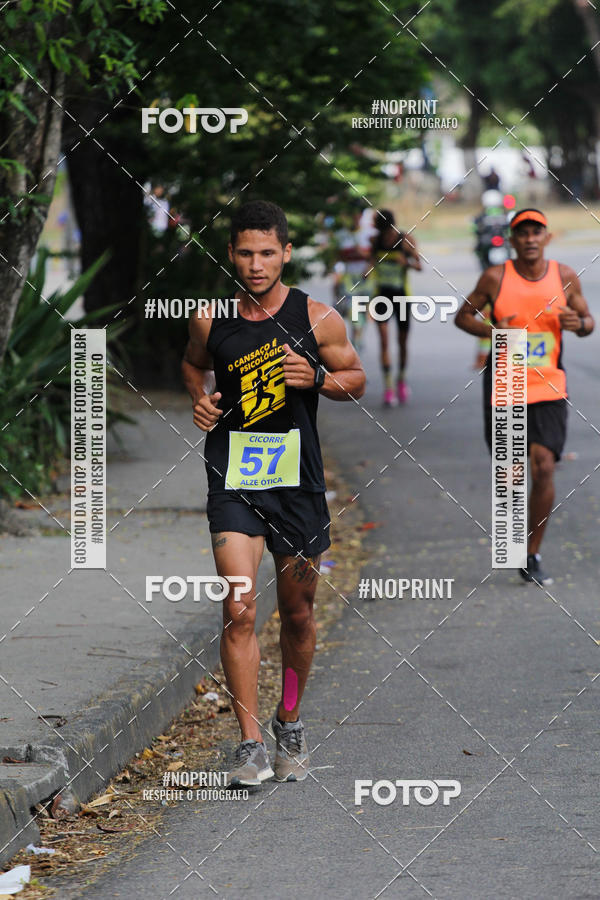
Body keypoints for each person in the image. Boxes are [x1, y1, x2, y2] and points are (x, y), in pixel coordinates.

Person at [182, 200, 365, 786]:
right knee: (238, 608)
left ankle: (289, 720)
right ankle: (250, 743)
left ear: (285, 253)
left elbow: (356, 379)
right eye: (244, 252)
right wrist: (201, 396)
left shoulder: (316, 318)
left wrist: (319, 378)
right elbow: (191, 366)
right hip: (235, 479)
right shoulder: (211, 320)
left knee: (299, 615)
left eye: (267, 253)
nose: (256, 264)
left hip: (299, 484)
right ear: (231, 253)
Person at [455, 208, 594, 585]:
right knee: (513, 475)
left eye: (537, 232)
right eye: (523, 233)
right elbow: (463, 315)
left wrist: (578, 323)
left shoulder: (564, 276)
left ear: (546, 237)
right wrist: (491, 331)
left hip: (549, 385)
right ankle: (514, 541)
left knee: (544, 466)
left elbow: (588, 322)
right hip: (505, 387)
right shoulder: (495, 277)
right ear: (513, 241)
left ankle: (532, 552)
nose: (530, 239)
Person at [370, 209, 422, 406]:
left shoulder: (405, 240)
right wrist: (368, 270)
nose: (373, 226)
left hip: (402, 297)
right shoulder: (375, 242)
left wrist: (406, 263)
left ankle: (401, 379)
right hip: (381, 297)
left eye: (375, 222)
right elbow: (371, 262)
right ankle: (388, 387)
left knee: (401, 343)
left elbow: (419, 266)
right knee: (384, 342)